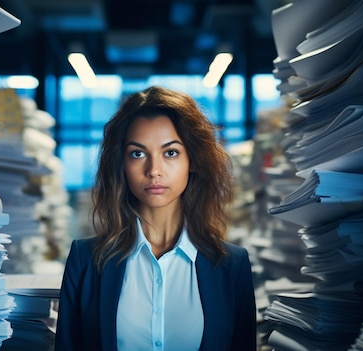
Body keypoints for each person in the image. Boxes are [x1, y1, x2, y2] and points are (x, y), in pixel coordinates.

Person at [54, 86, 257, 351]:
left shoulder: (232, 265)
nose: (154, 170)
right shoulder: (85, 260)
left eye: (170, 152)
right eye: (138, 153)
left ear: (192, 161)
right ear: (121, 164)